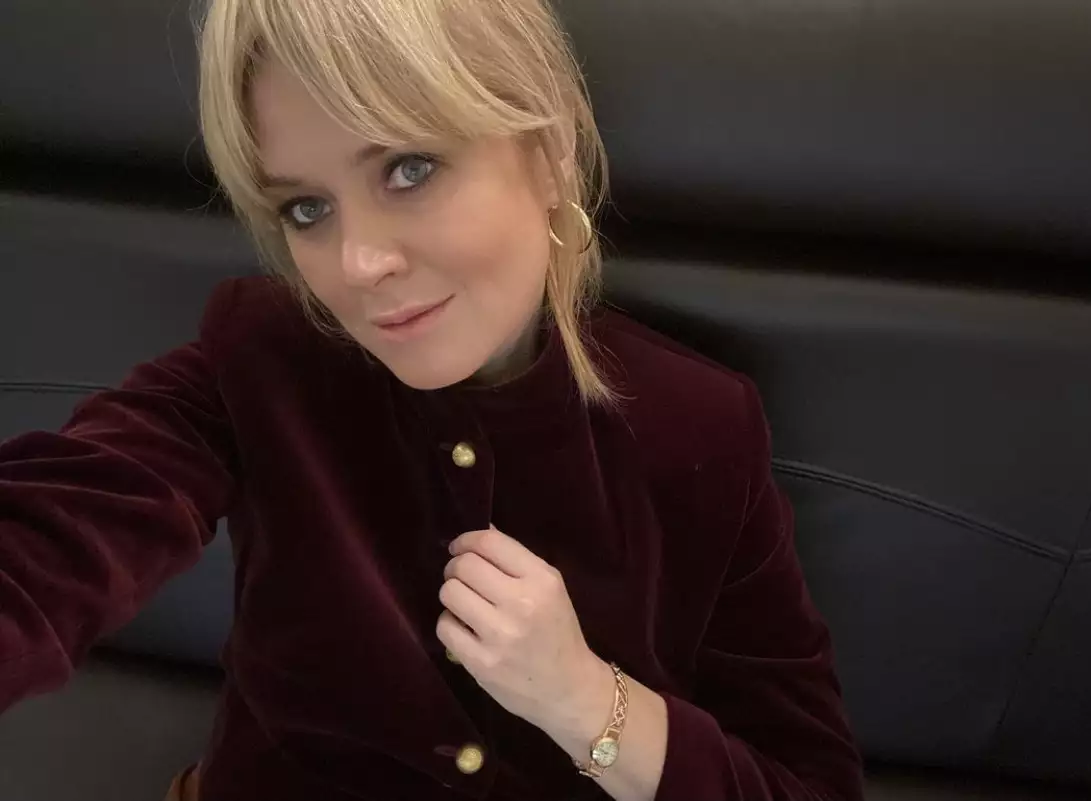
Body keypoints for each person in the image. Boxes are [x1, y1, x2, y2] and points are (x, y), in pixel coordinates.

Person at [0, 0, 863, 799]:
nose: (357, 264)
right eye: (306, 208)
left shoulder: (700, 427)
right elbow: (61, 528)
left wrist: (583, 699)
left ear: (549, 149)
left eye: (408, 169)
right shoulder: (261, 357)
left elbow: (806, 784)